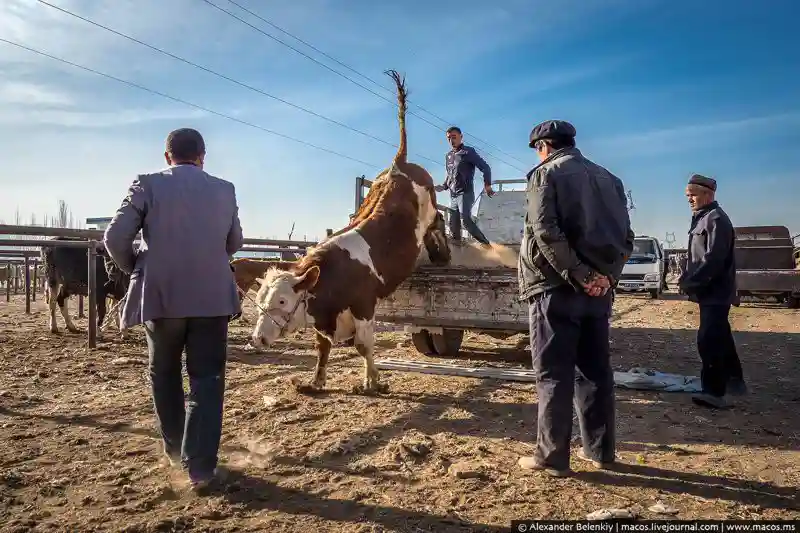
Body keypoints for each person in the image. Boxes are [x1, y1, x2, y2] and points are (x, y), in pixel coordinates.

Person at [103, 127, 244, 489]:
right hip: (212, 299)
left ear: (167, 156)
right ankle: (200, 469)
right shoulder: (225, 189)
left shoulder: (146, 184)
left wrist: (137, 266)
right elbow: (235, 242)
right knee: (207, 380)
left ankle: (173, 450)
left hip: (161, 298)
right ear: (202, 156)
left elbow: (114, 237)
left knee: (163, 374)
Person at [516, 120, 634, 477]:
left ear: (543, 146)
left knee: (553, 374)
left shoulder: (545, 175)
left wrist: (581, 275)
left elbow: (545, 232)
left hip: (556, 289)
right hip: (598, 293)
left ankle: (551, 457)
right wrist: (605, 278)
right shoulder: (610, 179)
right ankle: (600, 452)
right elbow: (626, 237)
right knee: (596, 372)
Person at [678, 174, 746, 409]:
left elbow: (713, 260)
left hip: (716, 291)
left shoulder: (716, 219)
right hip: (709, 292)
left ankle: (715, 392)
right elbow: (696, 257)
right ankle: (734, 380)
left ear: (708, 194)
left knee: (708, 339)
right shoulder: (703, 218)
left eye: (693, 195)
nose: (689, 200)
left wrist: (691, 282)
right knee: (721, 335)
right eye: (687, 196)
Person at [435, 126, 494, 246]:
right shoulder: (448, 156)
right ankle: (457, 251)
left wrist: (487, 185)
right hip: (453, 195)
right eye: (449, 138)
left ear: (461, 137)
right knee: (453, 223)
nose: (451, 140)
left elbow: (485, 168)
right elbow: (450, 176)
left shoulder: (468, 152)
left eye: (454, 137)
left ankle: (486, 245)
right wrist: (442, 187)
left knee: (466, 220)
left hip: (465, 193)